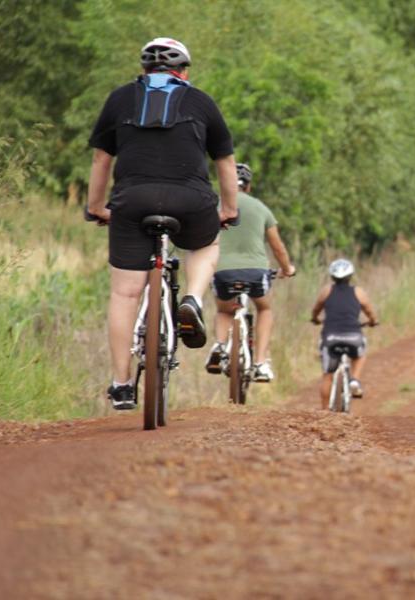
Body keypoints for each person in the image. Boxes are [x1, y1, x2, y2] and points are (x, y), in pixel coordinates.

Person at [87, 37, 238, 410]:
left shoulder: (120, 99)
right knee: (205, 244)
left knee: (125, 292)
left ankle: (122, 384)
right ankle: (192, 298)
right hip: (191, 199)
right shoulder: (201, 101)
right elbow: (225, 163)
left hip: (132, 199)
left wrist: (95, 207)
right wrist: (230, 209)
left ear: (143, 70)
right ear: (184, 72)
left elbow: (101, 162)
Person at [205, 163, 296, 381]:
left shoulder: (213, 207)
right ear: (249, 186)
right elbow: (277, 246)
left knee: (224, 311)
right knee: (264, 309)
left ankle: (219, 345)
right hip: (256, 272)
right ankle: (261, 363)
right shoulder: (260, 208)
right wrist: (287, 268)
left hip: (222, 271)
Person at [310, 259, 379, 407]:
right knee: (360, 354)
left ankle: (324, 413)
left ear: (332, 277)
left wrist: (315, 319)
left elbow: (316, 310)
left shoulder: (326, 291)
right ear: (351, 276)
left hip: (330, 337)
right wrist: (373, 321)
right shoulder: (358, 292)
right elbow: (370, 312)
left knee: (328, 375)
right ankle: (354, 380)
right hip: (353, 336)